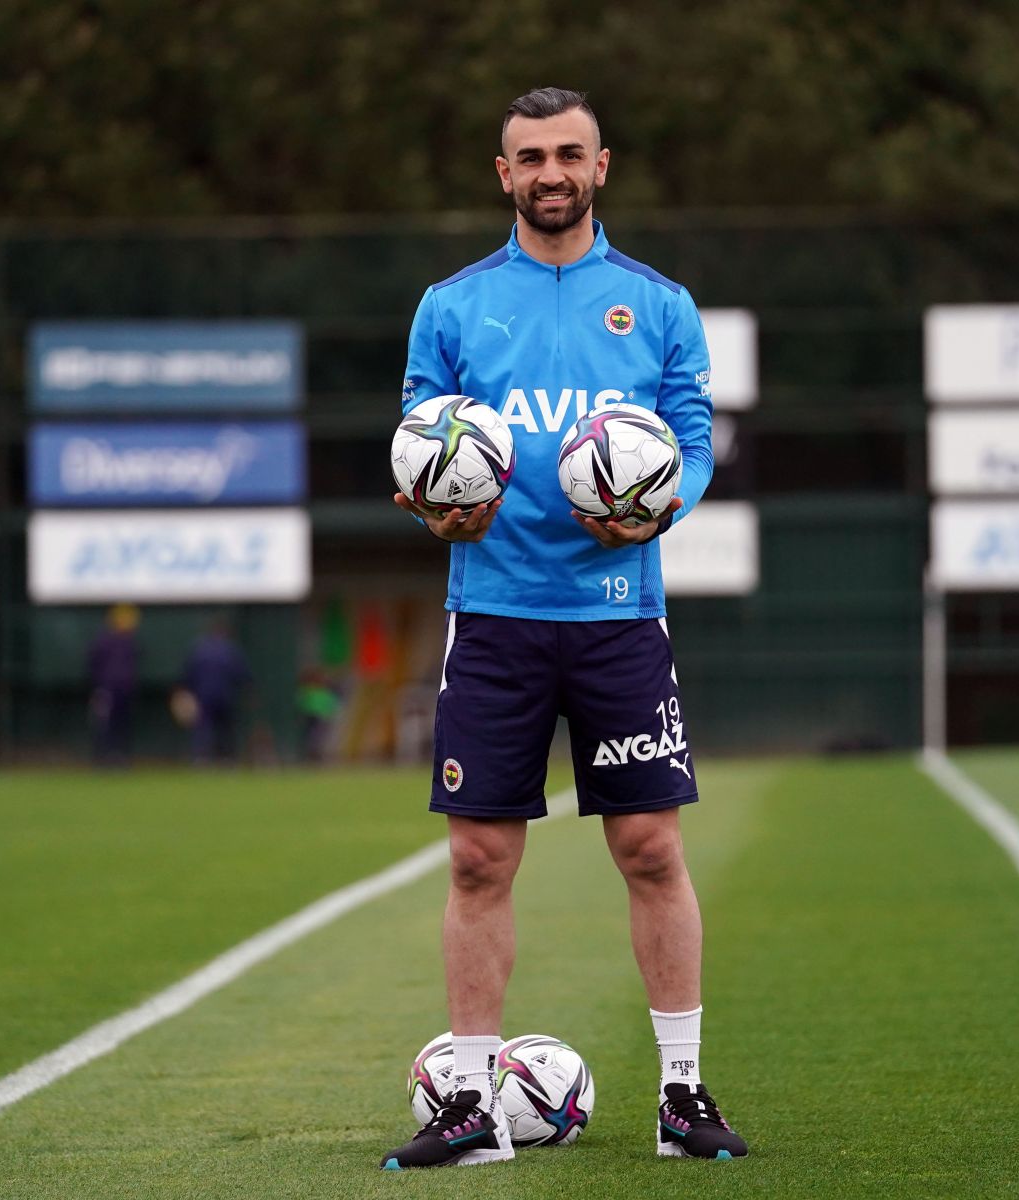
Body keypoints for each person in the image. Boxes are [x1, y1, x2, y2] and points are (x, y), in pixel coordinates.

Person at [381, 87, 748, 1170]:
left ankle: (682, 1095)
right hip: (490, 616)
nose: (551, 171)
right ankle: (470, 1105)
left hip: (618, 616)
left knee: (649, 848)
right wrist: (433, 501)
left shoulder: (659, 304)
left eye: (569, 154)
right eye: (530, 156)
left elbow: (691, 438)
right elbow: (417, 440)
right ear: (505, 175)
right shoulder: (450, 307)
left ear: (601, 168)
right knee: (480, 860)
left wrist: (655, 503)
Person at [181, 618, 250, 764]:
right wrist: (248, 689)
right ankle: (227, 758)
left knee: (203, 726)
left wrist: (186, 689)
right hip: (224, 695)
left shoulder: (199, 649)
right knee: (225, 728)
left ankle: (201, 758)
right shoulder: (230, 650)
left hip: (204, 695)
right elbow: (240, 673)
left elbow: (189, 673)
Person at [87, 603, 139, 766]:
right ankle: (103, 757)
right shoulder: (104, 641)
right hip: (106, 689)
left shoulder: (129, 642)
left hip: (124, 690)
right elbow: (93, 664)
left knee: (122, 724)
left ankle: (120, 756)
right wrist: (97, 688)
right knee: (105, 723)